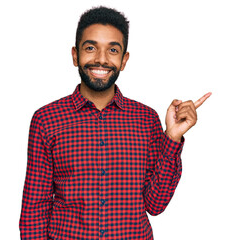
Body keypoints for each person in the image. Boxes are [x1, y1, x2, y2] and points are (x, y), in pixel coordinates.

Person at [19, 6, 211, 240]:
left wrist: (171, 139)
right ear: (75, 55)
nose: (101, 59)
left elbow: (155, 204)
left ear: (123, 60)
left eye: (112, 50)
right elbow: (34, 209)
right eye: (90, 48)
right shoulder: (46, 120)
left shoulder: (146, 120)